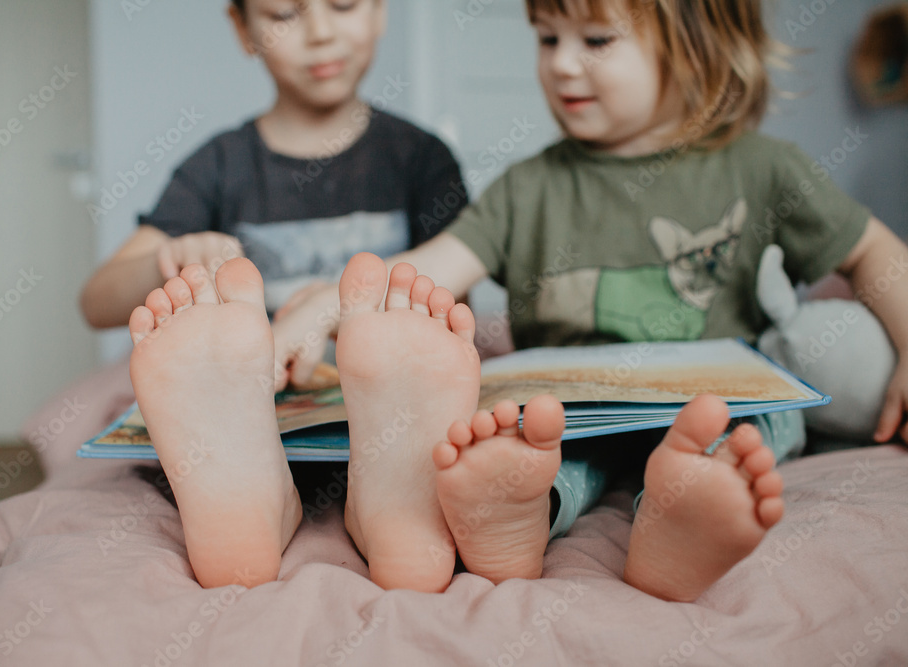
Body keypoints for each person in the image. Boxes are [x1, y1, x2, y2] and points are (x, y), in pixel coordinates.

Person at [258, 0, 908, 600]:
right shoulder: (527, 187)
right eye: (546, 39)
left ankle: (679, 517)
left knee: (753, 431)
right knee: (526, 446)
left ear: (697, 42)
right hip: (569, 414)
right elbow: (428, 268)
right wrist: (327, 306)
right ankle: (516, 517)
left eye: (595, 39)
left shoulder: (766, 168)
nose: (561, 63)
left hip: (713, 407)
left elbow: (874, 253)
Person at [79, 0, 467, 338]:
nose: (320, 33)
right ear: (242, 28)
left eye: (344, 4)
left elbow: (455, 300)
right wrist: (171, 261)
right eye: (284, 13)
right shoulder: (219, 164)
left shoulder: (422, 156)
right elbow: (96, 302)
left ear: (379, 9)